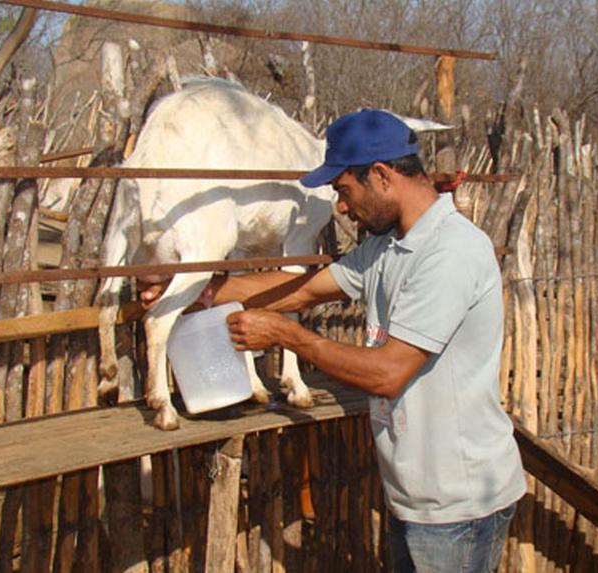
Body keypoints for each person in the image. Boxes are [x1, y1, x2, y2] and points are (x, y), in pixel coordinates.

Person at [142, 109, 526, 572]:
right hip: (418, 495)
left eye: (344, 191)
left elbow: (388, 373)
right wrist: (194, 286)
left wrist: (288, 335)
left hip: (460, 505)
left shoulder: (449, 252)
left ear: (381, 176)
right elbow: (301, 289)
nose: (341, 208)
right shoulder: (386, 247)